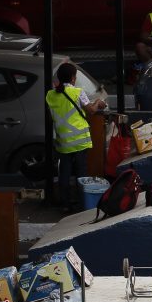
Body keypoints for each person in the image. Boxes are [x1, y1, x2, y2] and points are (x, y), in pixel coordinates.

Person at [47, 62, 106, 212]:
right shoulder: (78, 92)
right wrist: (98, 102)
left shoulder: (51, 95)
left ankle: (65, 204)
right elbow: (91, 110)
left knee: (64, 173)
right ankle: (83, 203)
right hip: (79, 141)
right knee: (81, 173)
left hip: (63, 141)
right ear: (73, 78)